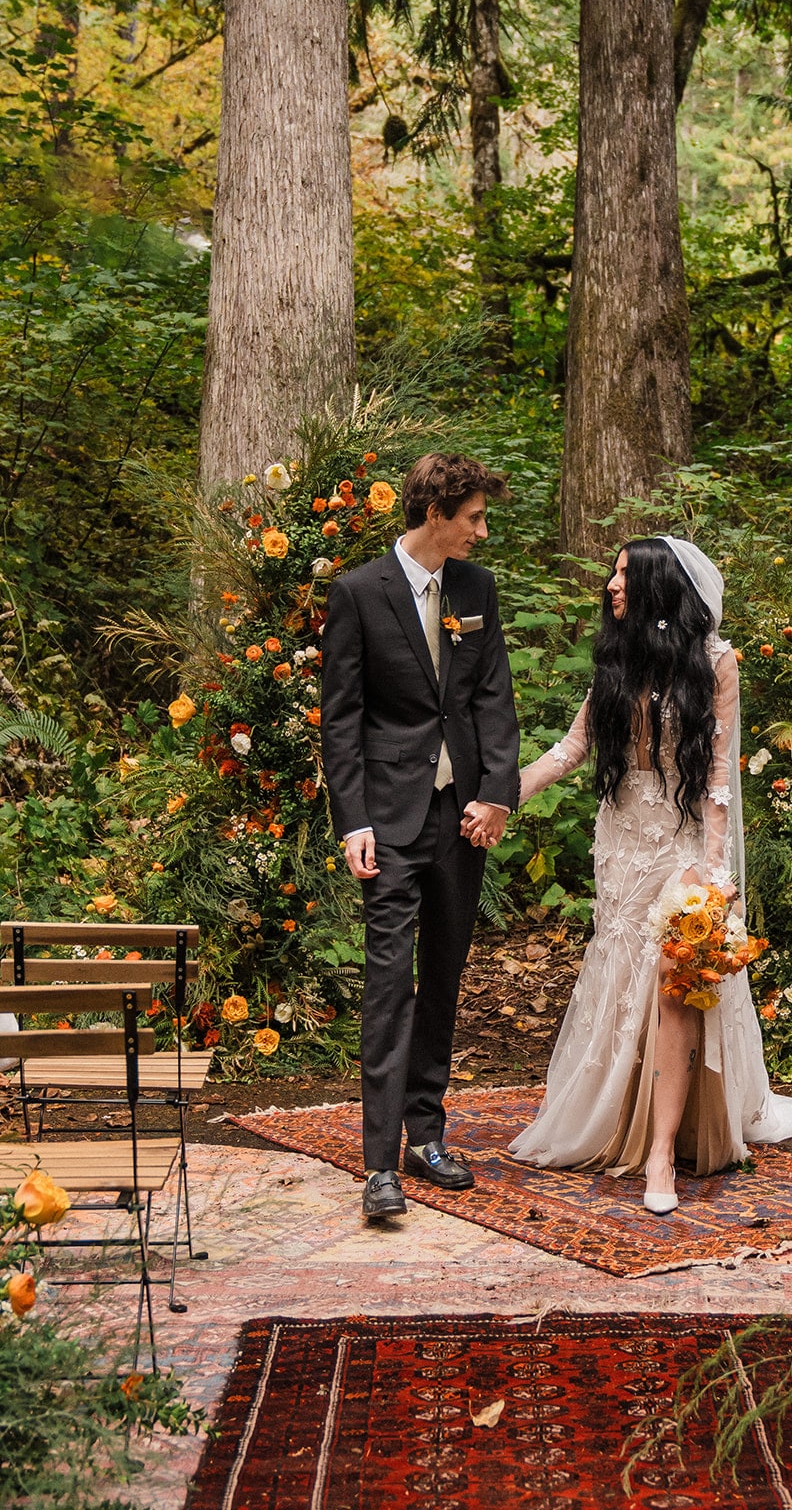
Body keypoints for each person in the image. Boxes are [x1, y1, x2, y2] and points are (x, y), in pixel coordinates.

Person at [509, 536, 792, 1213]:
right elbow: (574, 746)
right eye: (610, 574)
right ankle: (617, 1122)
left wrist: (714, 871)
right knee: (622, 977)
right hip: (621, 841)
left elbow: (719, 777)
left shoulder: (716, 663)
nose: (610, 586)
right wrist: (506, 791)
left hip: (683, 843)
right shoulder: (616, 658)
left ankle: (662, 1150)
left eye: (624, 575)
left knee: (675, 976)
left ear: (661, 588)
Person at [322, 453, 521, 1219]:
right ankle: (379, 1167)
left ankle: (427, 1136)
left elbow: (492, 696)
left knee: (443, 974)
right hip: (388, 817)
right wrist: (355, 821)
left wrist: (495, 795)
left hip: (458, 816)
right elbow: (341, 718)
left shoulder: (475, 589)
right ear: (435, 513)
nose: (480, 529)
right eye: (472, 516)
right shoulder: (359, 591)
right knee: (387, 984)